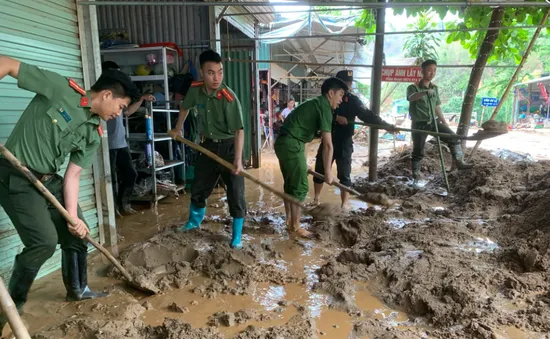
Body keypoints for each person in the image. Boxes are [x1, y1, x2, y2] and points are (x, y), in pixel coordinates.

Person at [0, 56, 140, 328]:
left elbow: (74, 174)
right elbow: (6, 63)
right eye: (121, 107)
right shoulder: (60, 88)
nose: (119, 114)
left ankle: (77, 289)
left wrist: (73, 218)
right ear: (107, 94)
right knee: (43, 242)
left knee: (80, 232)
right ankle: (10, 309)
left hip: (48, 179)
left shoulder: (93, 132)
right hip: (15, 174)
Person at [171, 50, 246, 250]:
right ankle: (193, 223)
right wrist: (178, 130)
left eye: (220, 72)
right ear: (202, 73)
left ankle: (237, 236)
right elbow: (184, 107)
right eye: (211, 73)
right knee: (198, 187)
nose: (217, 78)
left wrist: (238, 160)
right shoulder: (195, 89)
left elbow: (239, 131)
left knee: (236, 193)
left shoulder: (228, 98)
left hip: (230, 147)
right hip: (207, 146)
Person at [275, 77, 348, 238]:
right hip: (291, 144)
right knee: (300, 187)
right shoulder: (324, 108)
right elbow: (328, 145)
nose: (341, 101)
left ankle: (289, 221)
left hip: (285, 143)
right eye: (340, 95)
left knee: (291, 185)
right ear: (331, 93)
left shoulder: (315, 103)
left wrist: (304, 162)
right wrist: (328, 173)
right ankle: (295, 227)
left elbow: (304, 136)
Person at [312, 70, 397, 208]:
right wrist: (336, 118)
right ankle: (316, 199)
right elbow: (319, 113)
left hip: (344, 142)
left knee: (344, 175)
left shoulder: (353, 101)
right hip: (328, 139)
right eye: (345, 83)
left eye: (350, 83)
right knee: (320, 170)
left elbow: (367, 115)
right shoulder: (327, 98)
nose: (348, 86)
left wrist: (386, 125)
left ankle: (344, 204)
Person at [101, 61, 156, 216]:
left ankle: (124, 204)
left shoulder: (117, 96)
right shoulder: (103, 96)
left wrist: (141, 99)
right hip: (107, 146)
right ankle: (112, 210)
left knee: (130, 174)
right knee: (109, 179)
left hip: (120, 143)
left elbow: (127, 113)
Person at [407, 59, 471, 181]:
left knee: (453, 137)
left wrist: (443, 121)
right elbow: (411, 98)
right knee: (418, 150)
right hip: (419, 125)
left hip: (433, 122)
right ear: (422, 71)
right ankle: (415, 174)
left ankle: (459, 161)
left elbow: (436, 106)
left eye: (434, 70)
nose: (432, 73)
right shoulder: (413, 87)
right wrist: (425, 92)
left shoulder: (434, 88)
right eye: (429, 70)